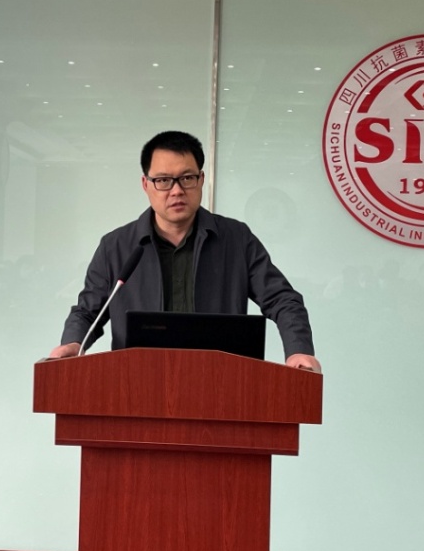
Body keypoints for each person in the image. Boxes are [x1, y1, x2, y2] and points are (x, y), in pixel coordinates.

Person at [48, 130, 320, 372]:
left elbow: (283, 300)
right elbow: (88, 311)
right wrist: (73, 343)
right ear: (146, 184)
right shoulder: (116, 247)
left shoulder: (237, 239)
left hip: (222, 384)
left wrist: (298, 350)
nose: (176, 191)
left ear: (201, 180)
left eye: (187, 178)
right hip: (136, 385)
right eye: (163, 180)